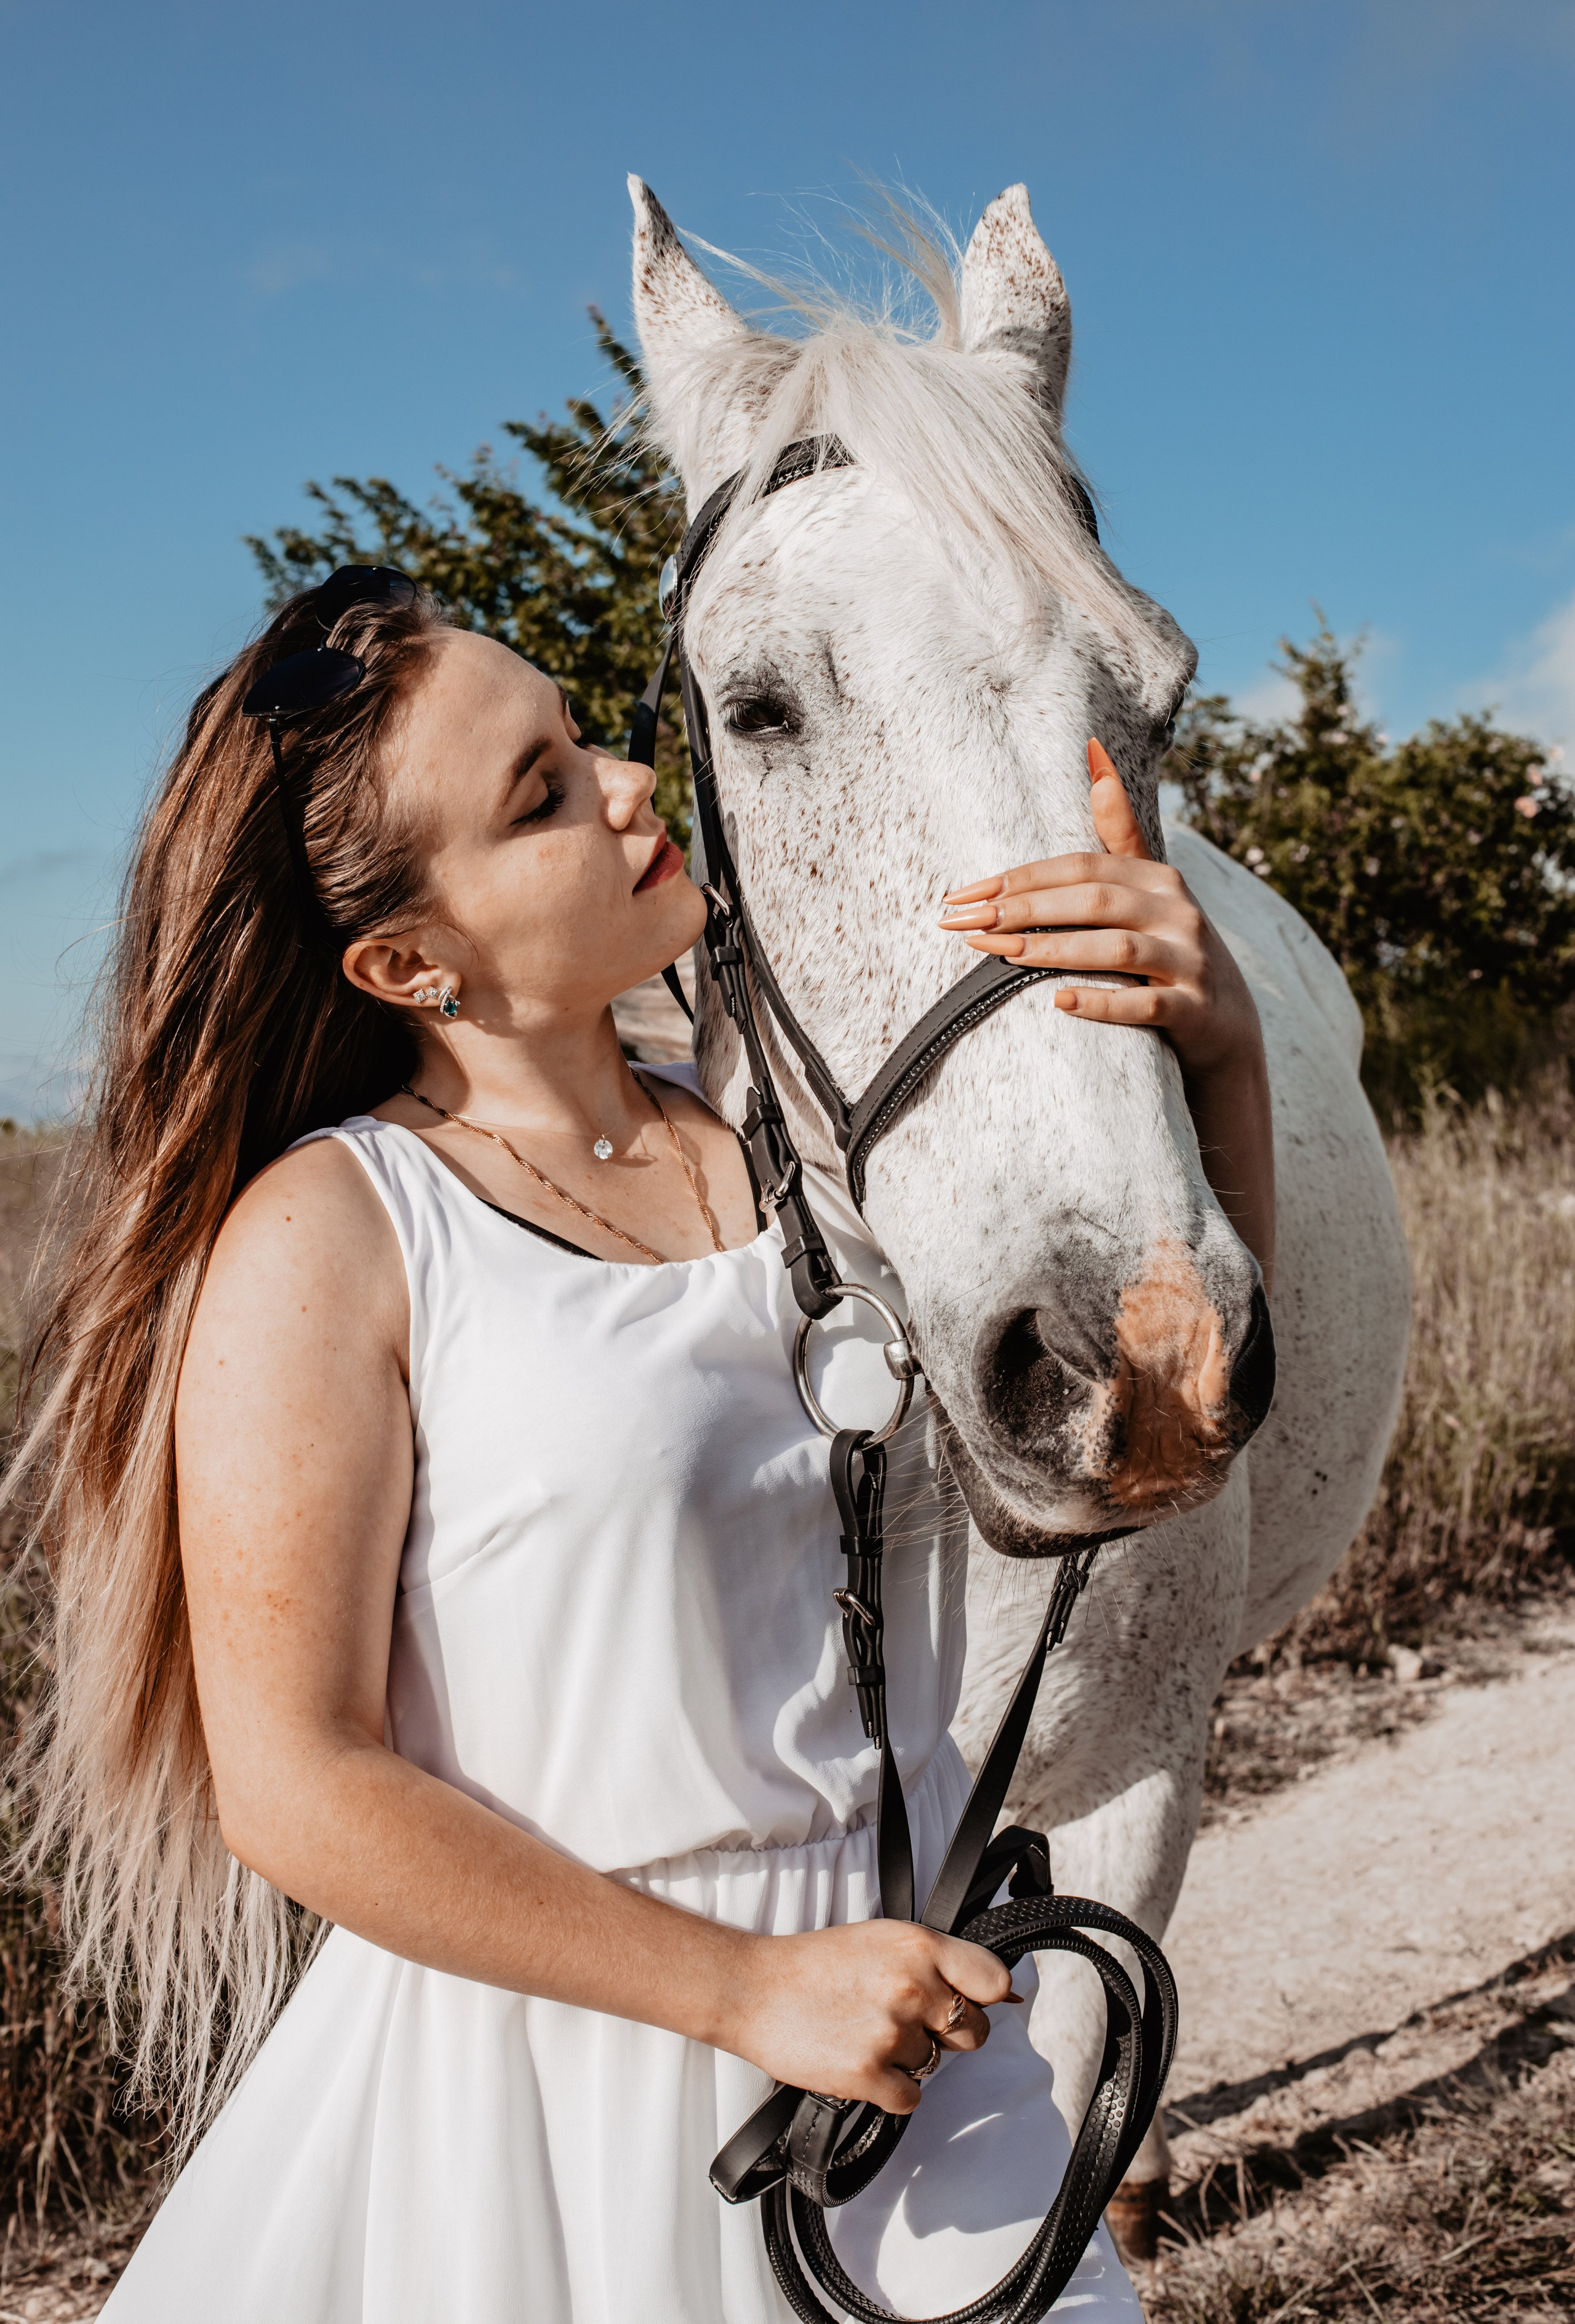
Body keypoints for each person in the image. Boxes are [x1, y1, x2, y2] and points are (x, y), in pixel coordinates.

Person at [17, 570, 1272, 2322]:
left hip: (915, 2050)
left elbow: (1130, 1457)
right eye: (538, 793)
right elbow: (297, 1780)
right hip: (561, 2100)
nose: (622, 782)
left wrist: (1220, 1061)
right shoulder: (336, 1238)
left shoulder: (797, 1143)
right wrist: (747, 1991)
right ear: (408, 961)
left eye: (582, 733)